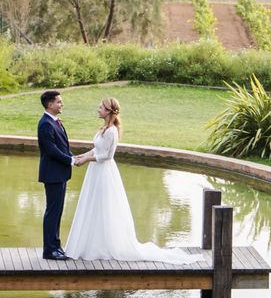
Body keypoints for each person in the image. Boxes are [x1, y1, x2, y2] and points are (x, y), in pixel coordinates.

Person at [66, 98, 201, 264]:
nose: (98, 109)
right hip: (95, 172)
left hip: (104, 173)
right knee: (93, 205)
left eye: (101, 107)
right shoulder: (103, 129)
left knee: (105, 205)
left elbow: (107, 156)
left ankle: (106, 245)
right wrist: (83, 156)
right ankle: (92, 243)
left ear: (108, 111)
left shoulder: (112, 131)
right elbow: (97, 148)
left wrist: (87, 160)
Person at [37, 90, 75, 260]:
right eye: (59, 102)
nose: (62, 104)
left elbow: (62, 147)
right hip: (53, 174)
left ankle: (56, 246)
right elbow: (51, 150)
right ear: (50, 104)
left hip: (60, 174)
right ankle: (49, 250)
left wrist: (73, 156)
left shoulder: (55, 122)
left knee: (57, 211)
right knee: (52, 211)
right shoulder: (45, 123)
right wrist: (71, 161)